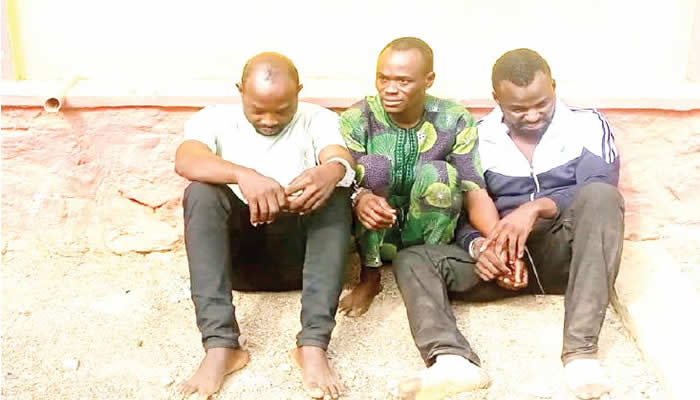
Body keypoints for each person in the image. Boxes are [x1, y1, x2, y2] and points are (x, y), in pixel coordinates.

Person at [391, 48, 623, 400]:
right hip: (503, 262)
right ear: (496, 98)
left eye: (542, 104)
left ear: (554, 86)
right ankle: (452, 361)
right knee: (412, 259)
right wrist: (481, 247)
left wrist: (535, 208)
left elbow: (600, 185)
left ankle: (581, 353)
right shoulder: (477, 136)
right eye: (518, 109)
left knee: (602, 198)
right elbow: (465, 211)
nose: (532, 116)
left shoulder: (588, 125)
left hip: (566, 255)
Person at [174, 52, 356, 400]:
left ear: (299, 92)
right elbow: (186, 160)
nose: (270, 120)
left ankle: (313, 345)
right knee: (200, 193)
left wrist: (331, 171)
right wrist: (244, 175)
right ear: (240, 90)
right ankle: (221, 346)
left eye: (283, 110)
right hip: (239, 265)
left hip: (302, 264)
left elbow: (338, 156)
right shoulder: (213, 119)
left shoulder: (318, 119)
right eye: (257, 110)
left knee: (335, 193)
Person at [338, 37, 486, 317]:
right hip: (374, 229)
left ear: (428, 80)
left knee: (442, 173)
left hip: (428, 235)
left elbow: (474, 187)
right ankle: (370, 277)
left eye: (403, 81)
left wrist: (495, 242)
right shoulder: (357, 118)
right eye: (383, 78)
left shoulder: (454, 119)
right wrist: (362, 197)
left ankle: (429, 272)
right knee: (371, 167)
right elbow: (344, 180)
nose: (389, 89)